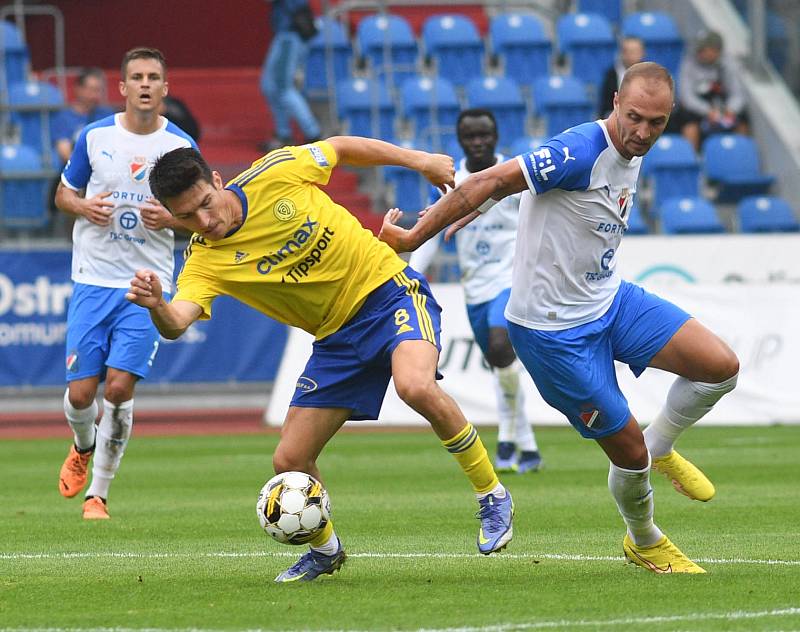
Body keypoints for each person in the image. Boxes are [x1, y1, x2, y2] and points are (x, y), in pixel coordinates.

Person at [380, 62, 740, 574]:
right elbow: (492, 178)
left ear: (670, 117)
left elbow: (517, 189)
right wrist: (415, 237)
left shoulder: (630, 147)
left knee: (720, 367)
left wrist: (493, 203)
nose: (642, 132)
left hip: (610, 301)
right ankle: (645, 539)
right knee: (628, 455)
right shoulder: (579, 150)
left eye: (656, 124)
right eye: (634, 117)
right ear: (615, 103)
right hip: (552, 335)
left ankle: (662, 446)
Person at [125, 137, 515, 583]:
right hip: (336, 338)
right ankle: (325, 550)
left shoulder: (276, 172)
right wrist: (157, 303)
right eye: (187, 216)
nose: (205, 221)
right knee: (289, 458)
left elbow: (342, 148)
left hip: (388, 292)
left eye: (206, 204)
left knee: (414, 385)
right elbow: (177, 322)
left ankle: (491, 493)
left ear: (217, 180)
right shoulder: (205, 260)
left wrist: (420, 159)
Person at [54, 47, 198, 520]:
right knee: (81, 395)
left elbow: (204, 216)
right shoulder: (94, 137)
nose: (144, 84)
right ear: (122, 87)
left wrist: (172, 218)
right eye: (135, 76)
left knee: (117, 389)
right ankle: (82, 444)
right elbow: (63, 194)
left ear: (164, 88)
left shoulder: (179, 148)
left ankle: (99, 494)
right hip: (93, 280)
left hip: (146, 285)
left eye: (153, 77)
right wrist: (83, 207)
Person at [409, 108, 542, 474]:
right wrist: (410, 273)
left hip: (512, 279)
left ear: (496, 136)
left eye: (485, 135)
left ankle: (505, 437)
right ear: (460, 140)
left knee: (501, 348)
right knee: (502, 367)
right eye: (470, 136)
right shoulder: (453, 181)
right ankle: (526, 446)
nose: (478, 142)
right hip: (475, 289)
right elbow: (431, 229)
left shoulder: (514, 173)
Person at [260, 0, 321, 150]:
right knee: (269, 86)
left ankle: (313, 134)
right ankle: (284, 133)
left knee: (283, 88)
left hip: (290, 36)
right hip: (284, 35)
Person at [676, 30, 749, 150]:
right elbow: (686, 96)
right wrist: (707, 111)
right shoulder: (689, 62)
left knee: (743, 118)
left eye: (703, 50)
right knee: (687, 119)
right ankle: (692, 159)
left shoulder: (729, 64)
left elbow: (738, 94)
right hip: (700, 109)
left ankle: (742, 154)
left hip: (723, 108)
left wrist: (730, 109)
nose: (699, 52)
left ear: (716, 50)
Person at [52, 67, 117, 165]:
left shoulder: (107, 114)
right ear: (78, 89)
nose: (94, 96)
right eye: (91, 90)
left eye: (98, 90)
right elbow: (65, 152)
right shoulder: (64, 118)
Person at [598, 37, 645, 118]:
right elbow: (604, 108)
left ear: (642, 53)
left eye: (635, 51)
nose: (631, 55)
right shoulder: (610, 75)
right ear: (621, 53)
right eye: (628, 51)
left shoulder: (650, 75)